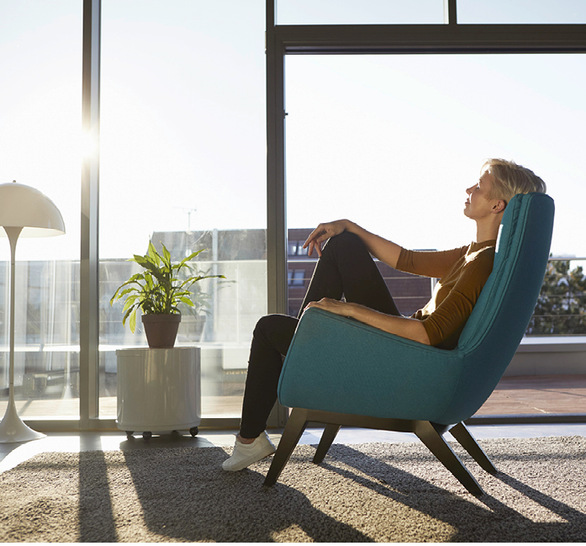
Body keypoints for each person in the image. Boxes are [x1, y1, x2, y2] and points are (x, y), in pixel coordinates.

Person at [222, 158, 547, 472]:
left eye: (479, 185)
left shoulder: (480, 263)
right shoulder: (472, 253)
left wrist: (349, 308)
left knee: (268, 328)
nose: (468, 189)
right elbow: (406, 260)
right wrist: (349, 226)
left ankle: (255, 430)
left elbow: (428, 334)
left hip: (409, 359)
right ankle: (304, 350)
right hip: (404, 347)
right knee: (343, 244)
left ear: (497, 205)